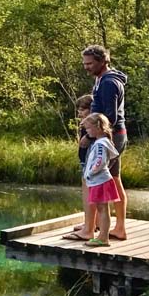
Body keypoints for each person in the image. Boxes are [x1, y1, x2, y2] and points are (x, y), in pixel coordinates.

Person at [76, 44, 128, 242]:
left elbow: (110, 116)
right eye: (84, 63)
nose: (86, 67)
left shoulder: (108, 83)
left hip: (109, 137)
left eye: (89, 63)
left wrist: (90, 136)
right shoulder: (102, 80)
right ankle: (107, 226)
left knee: (90, 178)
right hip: (114, 136)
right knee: (113, 179)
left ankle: (89, 230)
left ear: (102, 61)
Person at [80, 112, 120, 247]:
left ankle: (103, 238)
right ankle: (103, 237)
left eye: (89, 128)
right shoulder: (101, 142)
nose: (87, 131)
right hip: (99, 180)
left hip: (100, 181)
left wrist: (90, 173)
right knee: (102, 208)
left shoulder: (101, 144)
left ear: (98, 127)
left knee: (102, 209)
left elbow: (100, 161)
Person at [63, 94, 96, 241]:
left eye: (83, 109)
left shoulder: (92, 127)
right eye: (79, 110)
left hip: (88, 162)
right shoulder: (84, 124)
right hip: (84, 160)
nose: (79, 113)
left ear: (91, 109)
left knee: (88, 189)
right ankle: (90, 223)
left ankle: (89, 227)